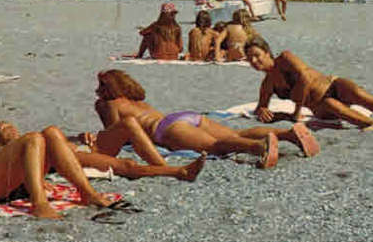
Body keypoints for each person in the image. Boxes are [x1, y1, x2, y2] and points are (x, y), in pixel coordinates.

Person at [91, 69, 320, 169]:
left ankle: (258, 147)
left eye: (100, 87)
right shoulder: (135, 99)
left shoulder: (109, 104)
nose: (97, 91)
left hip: (165, 130)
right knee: (234, 135)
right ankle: (288, 134)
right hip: (183, 117)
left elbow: (116, 132)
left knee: (215, 146)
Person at [244, 35, 373, 131]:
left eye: (257, 55)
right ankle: (372, 124)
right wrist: (262, 110)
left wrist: (296, 109)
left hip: (331, 84)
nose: (254, 60)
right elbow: (260, 107)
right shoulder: (267, 84)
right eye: (250, 58)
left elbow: (306, 76)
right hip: (320, 105)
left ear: (267, 53)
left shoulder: (285, 58)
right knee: (330, 104)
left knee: (354, 91)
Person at [0, 120, 205, 182]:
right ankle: (179, 172)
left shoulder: (28, 139)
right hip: (73, 157)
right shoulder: (9, 153)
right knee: (126, 166)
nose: (11, 127)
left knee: (128, 123)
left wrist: (80, 137)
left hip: (85, 146)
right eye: (4, 128)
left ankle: (163, 167)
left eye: (9, 124)